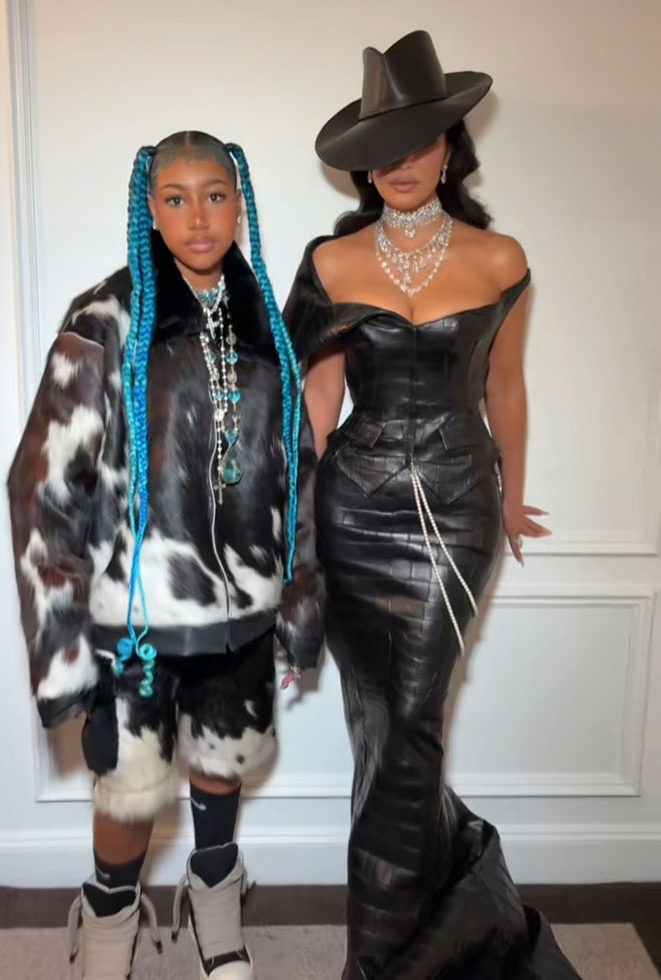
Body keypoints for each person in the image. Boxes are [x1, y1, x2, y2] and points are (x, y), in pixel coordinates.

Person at [285, 30, 579, 980]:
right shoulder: (331, 263)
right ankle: (432, 928)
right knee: (383, 732)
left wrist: (515, 500)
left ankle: (384, 964)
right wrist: (300, 518)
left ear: (450, 147)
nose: (402, 161)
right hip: (352, 518)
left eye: (420, 141)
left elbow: (507, 390)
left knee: (413, 722)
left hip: (457, 516)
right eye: (385, 147)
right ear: (365, 164)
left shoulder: (501, 258)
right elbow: (319, 404)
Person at [8, 130, 324, 980]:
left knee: (223, 765)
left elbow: (298, 470)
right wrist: (65, 654)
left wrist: (298, 605)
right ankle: (108, 919)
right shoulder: (104, 318)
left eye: (215, 194)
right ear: (149, 207)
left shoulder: (268, 329)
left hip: (243, 612)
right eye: (175, 197)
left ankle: (215, 908)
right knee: (130, 789)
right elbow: (43, 488)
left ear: (239, 200)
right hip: (134, 619)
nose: (197, 216)